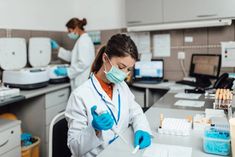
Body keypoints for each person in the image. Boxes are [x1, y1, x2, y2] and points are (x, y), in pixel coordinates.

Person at [65, 34, 152, 157]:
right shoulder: (80, 95)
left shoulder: (122, 86)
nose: (124, 74)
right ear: (105, 58)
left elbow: (136, 112)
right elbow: (74, 147)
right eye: (121, 67)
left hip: (120, 151)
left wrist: (141, 129)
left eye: (128, 69)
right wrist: (94, 129)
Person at [51, 18, 95, 90]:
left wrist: (68, 71)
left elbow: (83, 63)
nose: (69, 34)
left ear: (76, 28)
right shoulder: (83, 40)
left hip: (81, 81)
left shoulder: (83, 41)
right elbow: (73, 56)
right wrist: (58, 48)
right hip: (82, 80)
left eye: (69, 31)